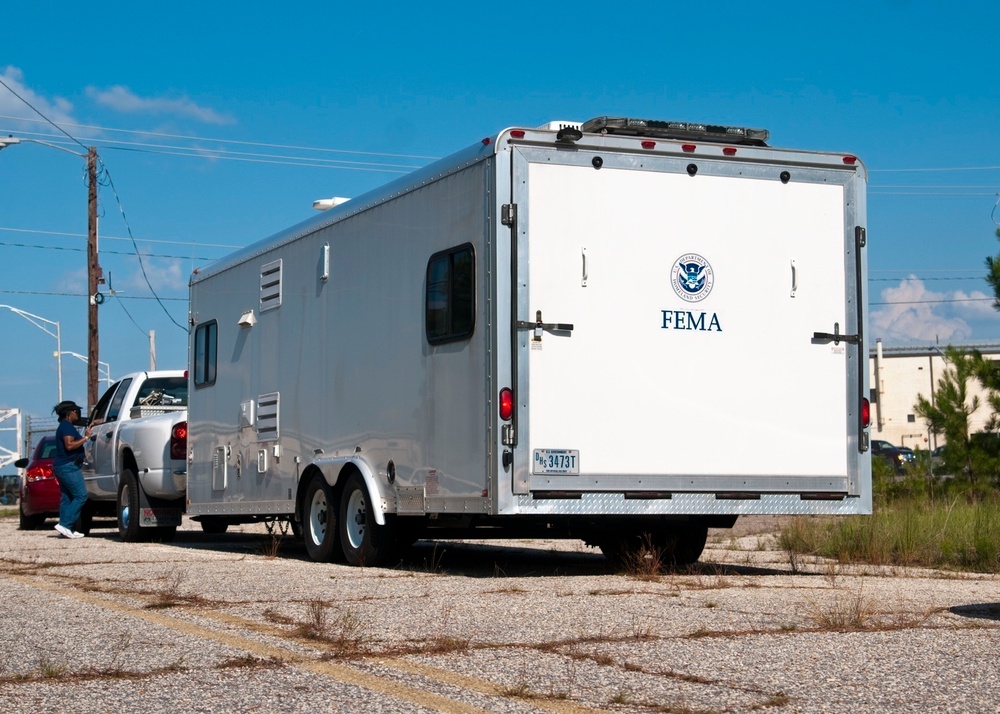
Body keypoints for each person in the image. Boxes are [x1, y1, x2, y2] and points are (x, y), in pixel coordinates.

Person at [52, 400, 92, 539]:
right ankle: (66, 524)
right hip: (68, 466)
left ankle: (66, 528)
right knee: (81, 496)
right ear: (70, 413)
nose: (78, 414)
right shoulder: (67, 427)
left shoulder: (64, 426)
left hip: (62, 466)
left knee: (67, 497)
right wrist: (86, 437)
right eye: (76, 411)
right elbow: (69, 445)